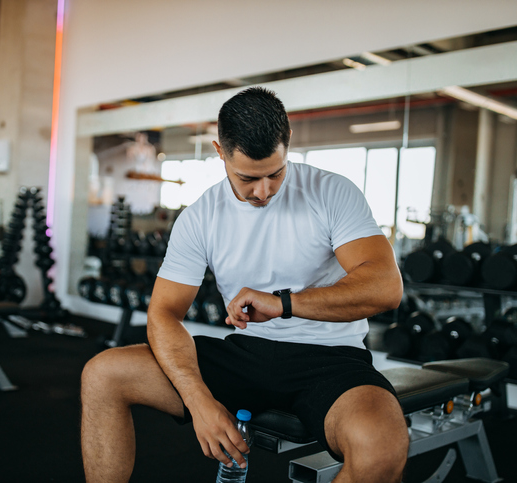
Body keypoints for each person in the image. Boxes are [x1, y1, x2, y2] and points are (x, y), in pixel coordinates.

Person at [81, 87, 409, 483]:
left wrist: (284, 303)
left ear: (288, 144)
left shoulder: (331, 192)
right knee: (103, 374)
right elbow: (163, 315)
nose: (264, 191)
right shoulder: (200, 217)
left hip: (329, 360)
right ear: (221, 153)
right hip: (243, 356)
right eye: (248, 178)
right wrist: (198, 401)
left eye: (276, 173)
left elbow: (385, 287)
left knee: (382, 449)